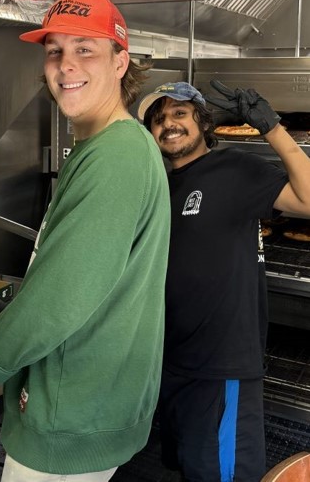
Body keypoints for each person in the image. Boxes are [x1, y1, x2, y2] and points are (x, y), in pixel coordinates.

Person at [0, 0, 171, 481]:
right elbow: (80, 274)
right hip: (89, 399)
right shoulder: (110, 145)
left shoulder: (117, 157)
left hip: (71, 411)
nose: (66, 65)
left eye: (85, 49)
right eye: (55, 51)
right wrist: (15, 319)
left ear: (121, 62)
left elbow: (61, 297)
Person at [137, 80, 310, 482]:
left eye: (179, 113)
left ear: (203, 122)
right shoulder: (159, 185)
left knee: (222, 475)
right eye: (158, 119)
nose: (168, 125)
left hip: (221, 366)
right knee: (189, 468)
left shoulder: (235, 168)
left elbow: (307, 199)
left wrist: (272, 128)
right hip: (171, 363)